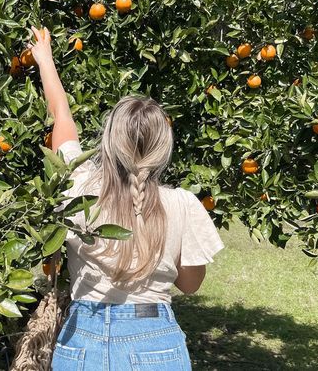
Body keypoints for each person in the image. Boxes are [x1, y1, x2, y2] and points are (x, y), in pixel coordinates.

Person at [26, 26, 225, 370]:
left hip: (81, 343)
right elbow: (190, 286)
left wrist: (45, 58)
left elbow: (61, 116)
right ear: (163, 149)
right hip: (155, 343)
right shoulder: (182, 204)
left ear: (108, 141)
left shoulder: (76, 186)